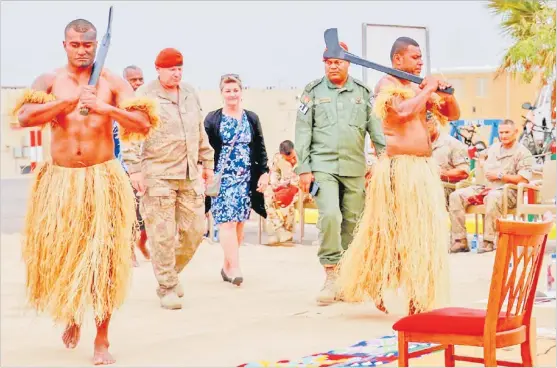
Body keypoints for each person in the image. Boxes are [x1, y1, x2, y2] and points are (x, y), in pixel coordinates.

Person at [12, 18, 159, 365]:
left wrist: (104, 108)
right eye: (75, 44)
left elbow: (144, 123)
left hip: (101, 180)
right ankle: (72, 316)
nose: (82, 50)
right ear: (64, 45)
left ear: (96, 46)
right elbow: (24, 116)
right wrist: (68, 103)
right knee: (66, 257)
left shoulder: (112, 82)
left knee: (104, 261)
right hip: (60, 183)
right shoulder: (49, 80)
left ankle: (102, 338)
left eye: (88, 45)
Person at [335, 37, 461, 315]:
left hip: (423, 170)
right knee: (391, 234)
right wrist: (427, 90)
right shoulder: (386, 85)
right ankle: (375, 281)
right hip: (397, 170)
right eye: (414, 57)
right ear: (398, 60)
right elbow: (403, 112)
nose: (420, 61)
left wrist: (445, 93)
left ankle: (419, 296)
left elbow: (451, 114)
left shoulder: (418, 87)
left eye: (420, 57)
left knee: (423, 235)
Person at [294, 42, 387, 306]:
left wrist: (385, 159)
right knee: (331, 216)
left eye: (338, 61)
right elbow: (303, 131)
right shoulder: (312, 92)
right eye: (328, 62)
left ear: (348, 63)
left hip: (355, 168)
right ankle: (331, 274)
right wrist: (304, 168)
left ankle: (348, 277)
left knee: (353, 222)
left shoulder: (363, 92)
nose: (333, 66)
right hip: (322, 166)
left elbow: (375, 128)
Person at [122, 48, 214, 310]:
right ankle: (167, 287)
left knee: (196, 230)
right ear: (158, 69)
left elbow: (199, 130)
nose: (177, 73)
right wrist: (134, 169)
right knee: (161, 235)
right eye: (171, 69)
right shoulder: (144, 96)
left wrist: (207, 162)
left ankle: (170, 274)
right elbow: (130, 133)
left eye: (180, 68)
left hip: (189, 174)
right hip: (157, 175)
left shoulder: (189, 92)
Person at [204, 74, 270, 286]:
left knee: (239, 223)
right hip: (222, 178)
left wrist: (265, 172)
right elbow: (204, 149)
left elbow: (259, 147)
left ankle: (226, 266)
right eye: (228, 90)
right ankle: (236, 267)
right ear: (221, 93)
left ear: (241, 92)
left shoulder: (251, 118)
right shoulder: (213, 119)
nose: (232, 94)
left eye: (235, 90)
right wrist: (203, 172)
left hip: (245, 178)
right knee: (227, 223)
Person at [449, 119, 533, 253]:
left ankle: (489, 241)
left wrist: (500, 176)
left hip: (508, 191)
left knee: (492, 197)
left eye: (507, 132)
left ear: (516, 132)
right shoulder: (494, 148)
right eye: (501, 132)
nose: (503, 135)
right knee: (455, 196)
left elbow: (523, 179)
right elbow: (481, 155)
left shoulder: (523, 153)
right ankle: (460, 241)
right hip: (486, 188)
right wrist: (482, 162)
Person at [114, 65, 150, 266]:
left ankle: (142, 244)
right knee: (129, 212)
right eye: (133, 80)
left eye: (140, 79)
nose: (137, 83)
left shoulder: (148, 108)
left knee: (147, 213)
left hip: (149, 169)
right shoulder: (117, 108)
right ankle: (129, 251)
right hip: (123, 169)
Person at [427, 114, 470, 206]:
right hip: (424, 186)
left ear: (435, 123)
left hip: (447, 188)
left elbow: (463, 172)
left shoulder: (452, 144)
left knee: (427, 193)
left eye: (427, 128)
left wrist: (438, 173)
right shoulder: (417, 145)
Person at [264, 140, 300, 244]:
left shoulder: (302, 155)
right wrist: (275, 183)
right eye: (288, 158)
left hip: (298, 187)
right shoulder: (278, 158)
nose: (292, 160)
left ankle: (288, 231)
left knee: (288, 202)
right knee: (267, 195)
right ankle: (279, 228)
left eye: (293, 157)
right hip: (283, 186)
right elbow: (275, 172)